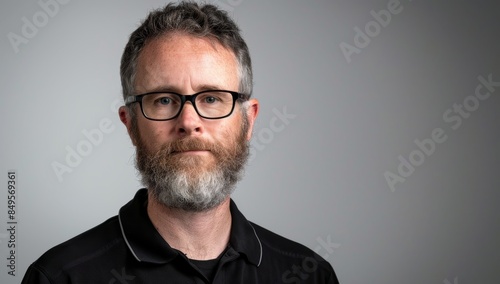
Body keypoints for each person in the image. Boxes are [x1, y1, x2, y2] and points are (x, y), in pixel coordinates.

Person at [21, 1, 340, 283]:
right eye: (163, 100)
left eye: (212, 98)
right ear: (130, 124)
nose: (189, 123)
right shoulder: (60, 276)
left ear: (248, 121)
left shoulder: (310, 274)